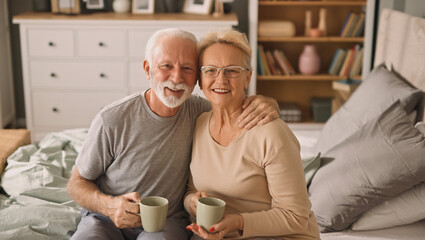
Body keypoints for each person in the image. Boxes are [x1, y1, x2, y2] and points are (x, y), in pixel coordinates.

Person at [67, 28, 279, 240]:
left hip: (167, 222)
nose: (177, 78)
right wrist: (109, 206)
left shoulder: (203, 113)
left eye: (187, 68)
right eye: (166, 66)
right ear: (147, 68)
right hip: (105, 219)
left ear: (197, 76)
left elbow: (233, 105)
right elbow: (76, 183)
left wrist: (270, 102)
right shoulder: (112, 118)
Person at [184, 29, 320, 239]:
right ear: (199, 80)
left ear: (247, 77)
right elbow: (192, 188)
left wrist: (238, 222)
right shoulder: (199, 124)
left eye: (232, 71)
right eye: (210, 70)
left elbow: (296, 216)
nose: (221, 79)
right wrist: (191, 201)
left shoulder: (271, 132)